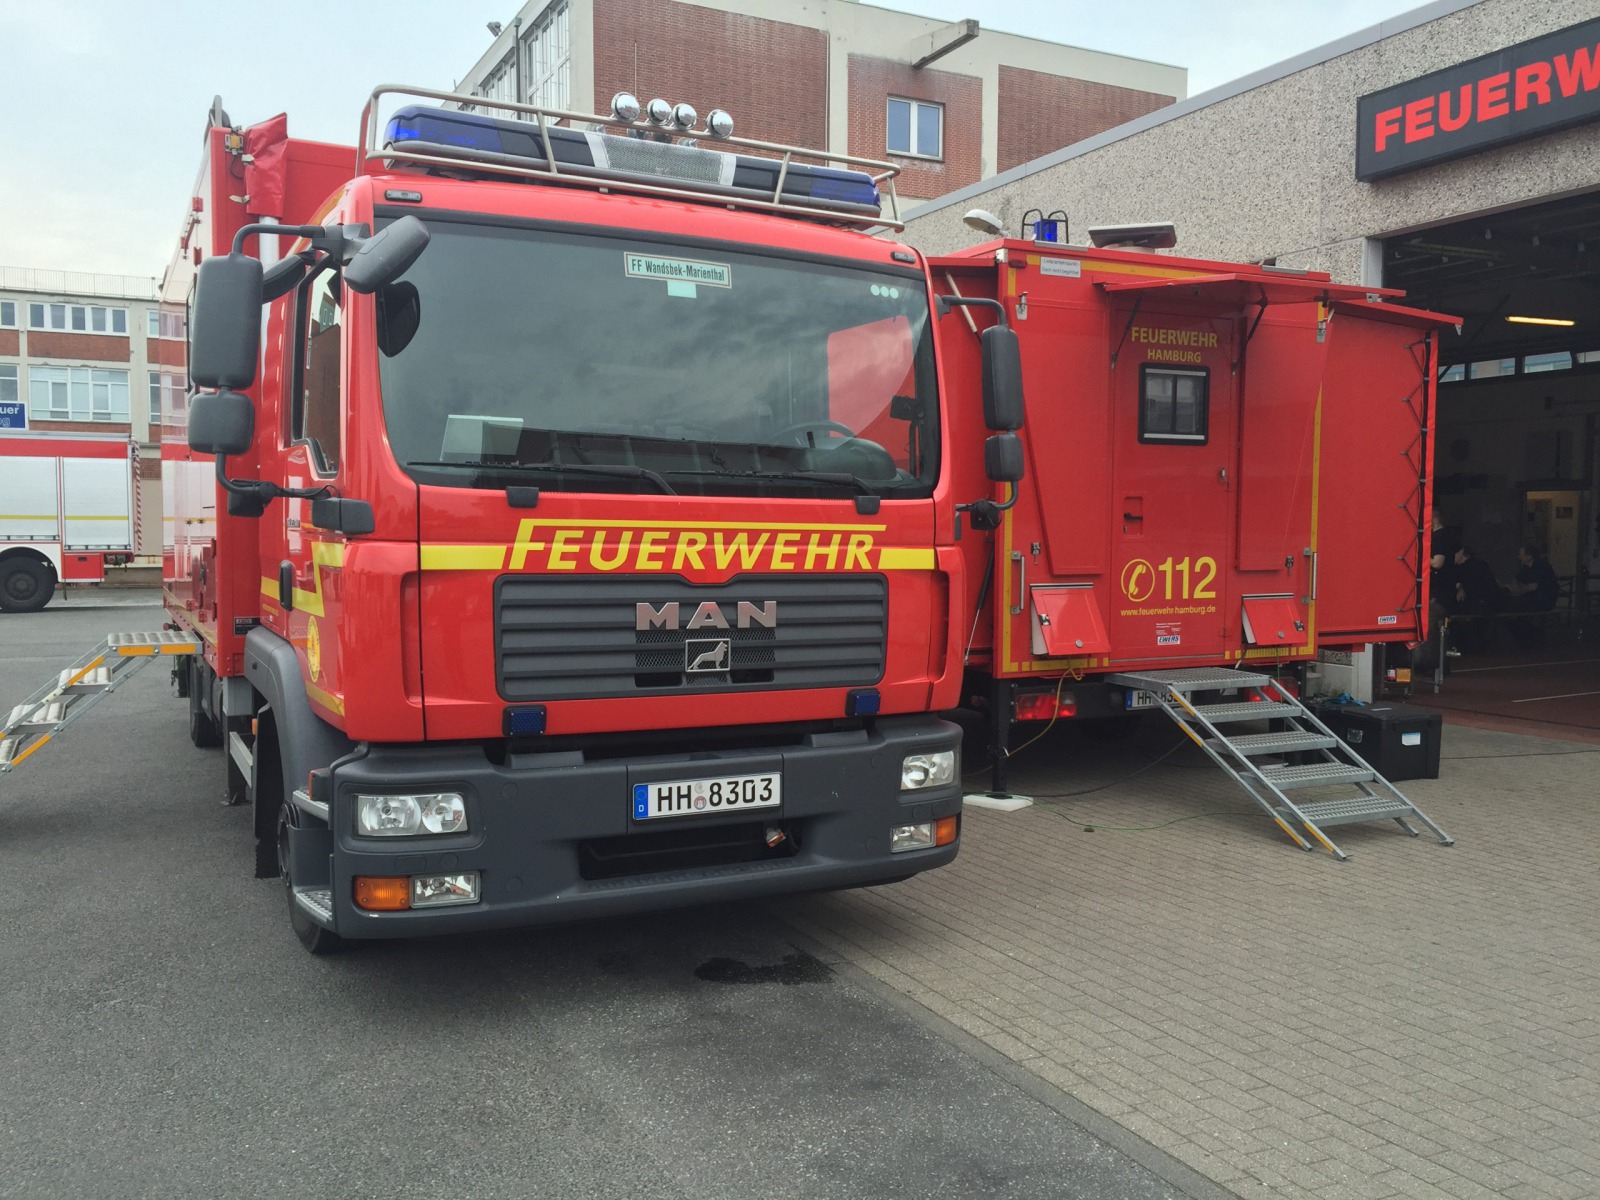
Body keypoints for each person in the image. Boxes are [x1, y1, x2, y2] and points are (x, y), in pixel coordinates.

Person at [1446, 545, 1499, 651]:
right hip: (1481, 603)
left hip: (1478, 604)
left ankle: (1455, 645)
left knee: (1453, 614)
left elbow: (1476, 588)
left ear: (1462, 554)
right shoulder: (1474, 565)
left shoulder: (1474, 567)